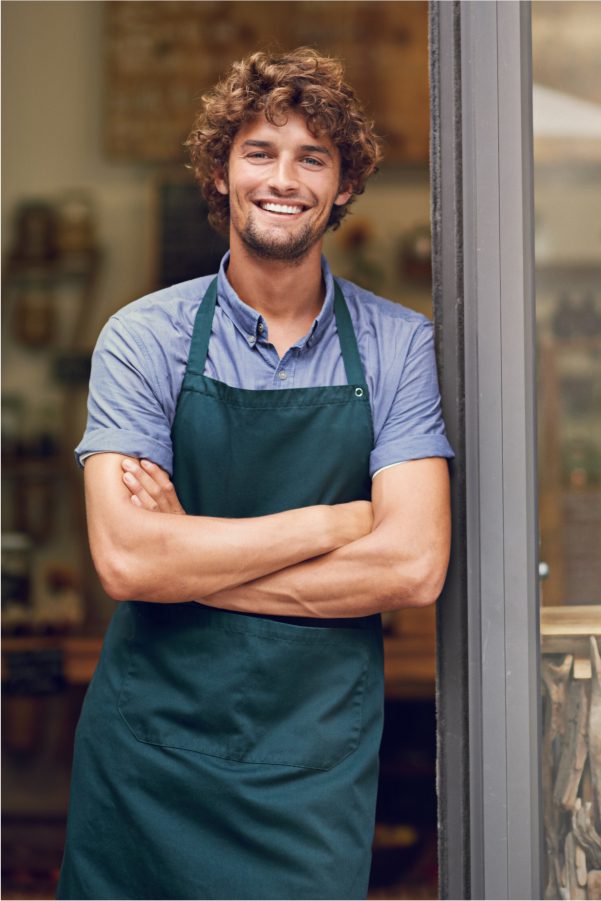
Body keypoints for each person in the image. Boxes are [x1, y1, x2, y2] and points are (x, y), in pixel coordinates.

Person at [57, 48, 454, 901]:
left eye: (313, 156)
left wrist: (188, 566)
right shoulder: (144, 338)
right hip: (148, 762)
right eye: (259, 151)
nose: (286, 178)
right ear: (220, 170)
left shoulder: (397, 347)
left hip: (310, 769)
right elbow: (128, 563)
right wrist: (338, 522)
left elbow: (414, 567)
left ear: (344, 184)